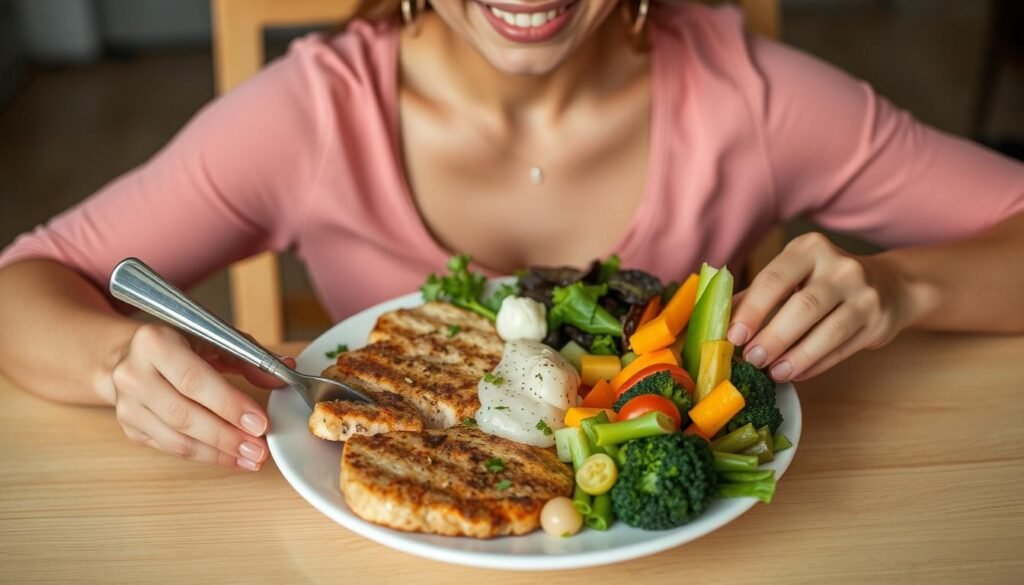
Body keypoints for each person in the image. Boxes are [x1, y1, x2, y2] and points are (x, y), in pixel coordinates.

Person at [1, 0, 1022, 473]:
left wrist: (905, 288)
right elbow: (24, 281)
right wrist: (117, 361)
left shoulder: (748, 100)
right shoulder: (312, 115)